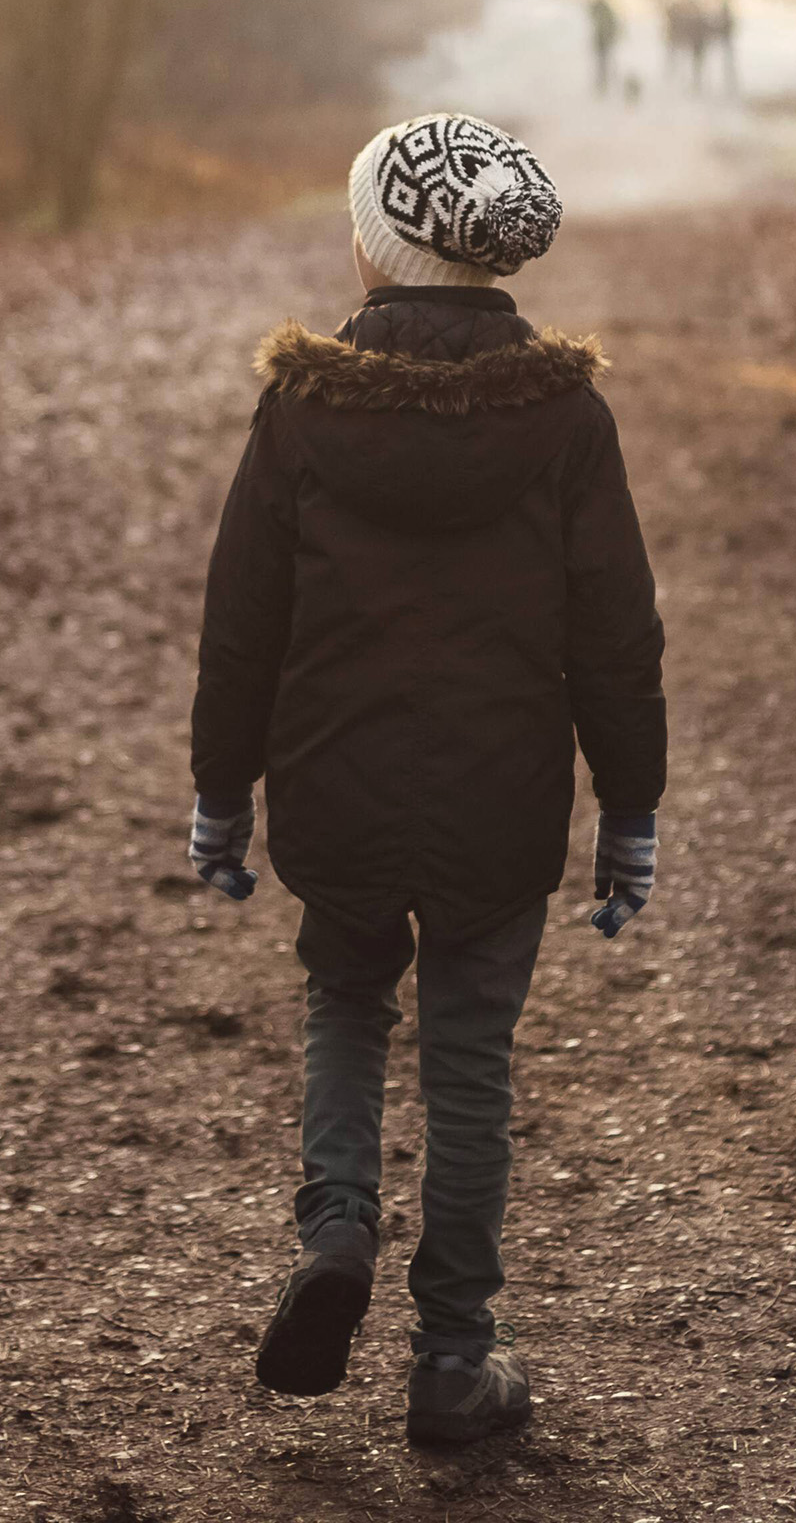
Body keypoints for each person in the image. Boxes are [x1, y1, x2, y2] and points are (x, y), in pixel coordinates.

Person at [185, 113, 669, 1446]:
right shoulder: (567, 419)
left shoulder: (301, 411)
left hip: (336, 790)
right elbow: (614, 633)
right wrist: (629, 809)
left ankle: (337, 1229)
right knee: (469, 1063)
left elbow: (243, 622)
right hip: (500, 802)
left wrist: (222, 793)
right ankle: (454, 1358)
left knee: (345, 1001)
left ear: (375, 256)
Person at [584, 0, 621, 97]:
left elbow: (609, 26)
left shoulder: (604, 11)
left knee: (604, 65)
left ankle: (604, 84)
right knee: (603, 65)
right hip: (602, 41)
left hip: (604, 41)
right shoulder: (603, 10)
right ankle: (603, 85)